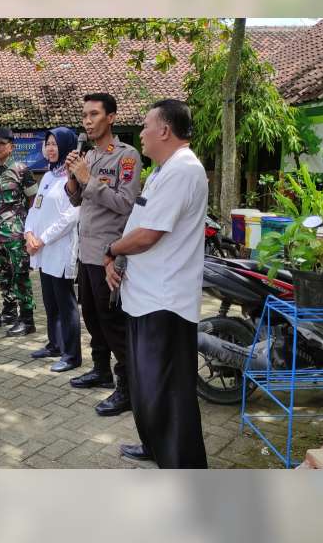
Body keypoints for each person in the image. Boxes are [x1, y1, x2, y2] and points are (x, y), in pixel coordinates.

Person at [105, 99, 208, 469]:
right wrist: (117, 259)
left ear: (164, 130)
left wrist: (111, 249)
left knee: (169, 391)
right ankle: (154, 446)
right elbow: (141, 225)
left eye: (146, 126)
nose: (142, 133)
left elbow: (148, 235)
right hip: (145, 296)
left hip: (165, 302)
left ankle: (183, 467)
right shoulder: (165, 170)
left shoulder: (184, 170)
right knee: (148, 387)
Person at [64, 92, 141, 417]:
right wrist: (72, 180)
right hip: (86, 252)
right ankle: (100, 369)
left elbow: (125, 203)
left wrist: (87, 178)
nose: (88, 121)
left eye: (94, 114)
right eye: (84, 115)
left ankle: (128, 388)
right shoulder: (89, 156)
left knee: (113, 323)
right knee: (92, 318)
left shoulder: (126, 156)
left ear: (111, 117)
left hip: (109, 254)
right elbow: (77, 201)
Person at [25, 128, 81, 371]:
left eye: (55, 144)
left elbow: (72, 216)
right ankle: (55, 344)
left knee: (65, 303)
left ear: (67, 147)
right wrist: (29, 234)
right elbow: (34, 209)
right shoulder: (48, 176)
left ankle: (72, 355)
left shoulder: (72, 178)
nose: (50, 148)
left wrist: (43, 239)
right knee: (50, 301)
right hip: (42, 251)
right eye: (47, 143)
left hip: (59, 249)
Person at [0, 127, 39, 337]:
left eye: (1, 143)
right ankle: (9, 312)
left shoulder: (21, 170)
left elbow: (34, 201)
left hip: (16, 235)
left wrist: (29, 229)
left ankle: (27, 320)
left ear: (11, 147)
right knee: (2, 275)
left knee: (20, 276)